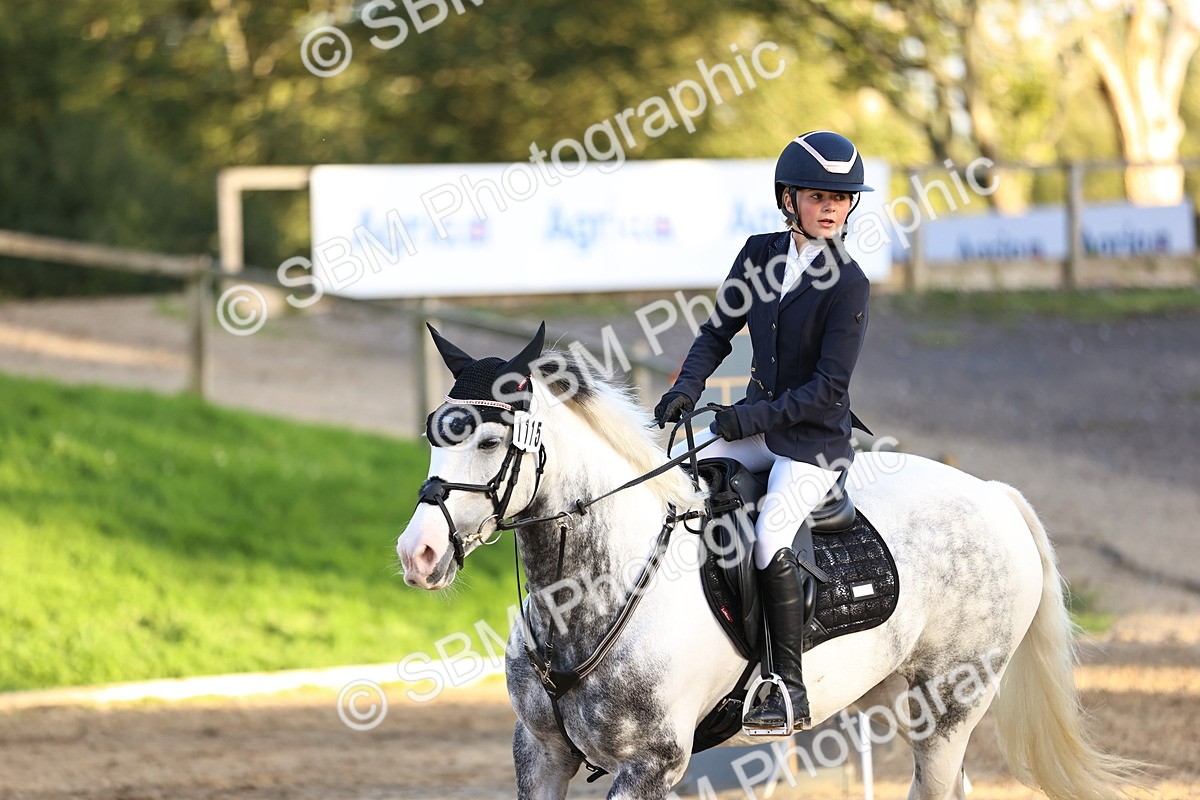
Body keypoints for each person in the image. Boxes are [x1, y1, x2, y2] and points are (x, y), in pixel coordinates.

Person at [653, 130, 873, 735]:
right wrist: (686, 389)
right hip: (758, 427)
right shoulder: (758, 255)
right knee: (672, 488)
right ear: (789, 199)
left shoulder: (849, 284)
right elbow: (716, 333)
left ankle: (786, 686)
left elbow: (827, 390)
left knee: (770, 538)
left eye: (843, 197)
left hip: (812, 442)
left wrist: (746, 417)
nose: (833, 207)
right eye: (819, 195)